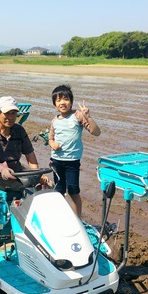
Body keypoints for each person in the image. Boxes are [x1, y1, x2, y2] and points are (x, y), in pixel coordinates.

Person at [0, 96, 43, 251]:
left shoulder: (19, 130)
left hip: (15, 175)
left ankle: (24, 234)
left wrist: (37, 175)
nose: (11, 117)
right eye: (7, 113)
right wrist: (1, 169)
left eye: (14, 113)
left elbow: (30, 155)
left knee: (34, 197)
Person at [48, 84, 101, 218]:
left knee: (73, 191)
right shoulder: (54, 121)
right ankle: (61, 217)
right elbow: (50, 139)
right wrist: (53, 144)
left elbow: (96, 132)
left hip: (72, 162)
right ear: (54, 105)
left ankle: (77, 219)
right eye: (58, 100)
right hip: (56, 161)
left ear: (71, 102)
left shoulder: (78, 115)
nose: (62, 102)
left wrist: (88, 116)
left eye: (65, 99)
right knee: (59, 191)